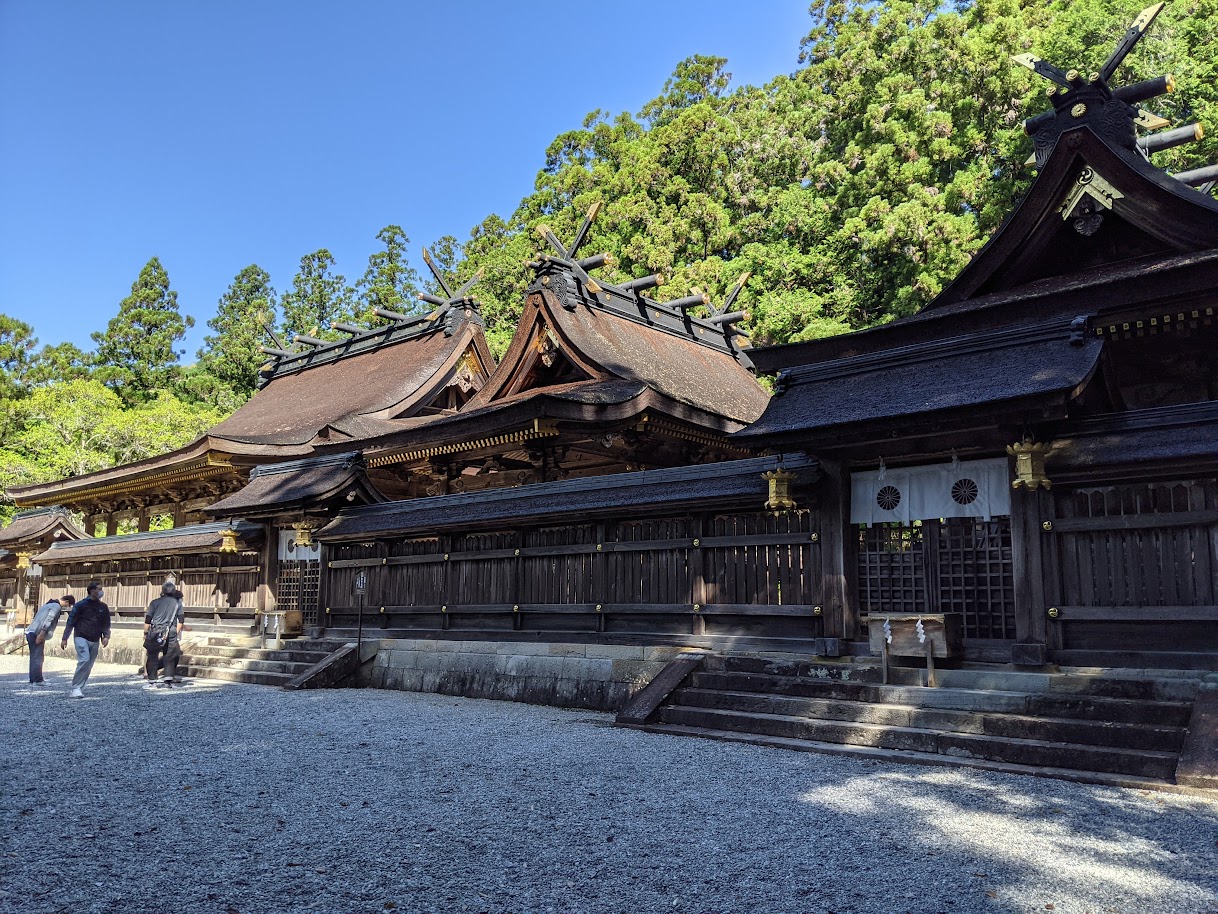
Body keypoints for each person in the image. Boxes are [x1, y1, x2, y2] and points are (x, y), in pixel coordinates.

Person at [60, 581, 110, 699]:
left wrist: (106, 636)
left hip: (95, 638)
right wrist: (65, 638)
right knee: (84, 660)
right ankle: (76, 687)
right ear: (92, 591)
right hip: (81, 636)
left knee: (89, 664)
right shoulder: (81, 605)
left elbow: (106, 623)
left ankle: (80, 687)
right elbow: (71, 621)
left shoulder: (103, 607)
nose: (101, 591)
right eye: (99, 589)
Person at [25, 595, 74, 685]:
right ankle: (38, 680)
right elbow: (49, 619)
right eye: (68, 605)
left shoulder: (48, 604)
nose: (67, 607)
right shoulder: (56, 606)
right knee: (38, 657)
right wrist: (42, 633)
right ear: (66, 602)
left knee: (34, 656)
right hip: (37, 632)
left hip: (30, 631)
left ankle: (33, 679)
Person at [144, 582, 184, 689]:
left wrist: (145, 632)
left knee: (152, 656)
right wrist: (176, 632)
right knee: (169, 656)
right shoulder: (177, 604)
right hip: (171, 630)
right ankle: (168, 682)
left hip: (156, 631)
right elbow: (181, 620)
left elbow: (148, 619)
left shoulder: (154, 603)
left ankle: (152, 682)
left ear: (162, 591)